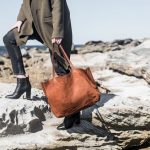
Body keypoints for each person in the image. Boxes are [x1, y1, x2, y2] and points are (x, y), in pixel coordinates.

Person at [3, 0, 80, 129]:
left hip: (52, 24)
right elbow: (25, 2)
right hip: (33, 22)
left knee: (61, 67)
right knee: (9, 38)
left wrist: (58, 32)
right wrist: (20, 20)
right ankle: (22, 83)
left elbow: (58, 6)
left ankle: (73, 112)